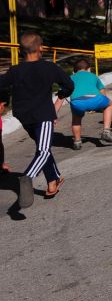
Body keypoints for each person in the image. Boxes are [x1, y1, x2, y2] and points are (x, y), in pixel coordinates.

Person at [0, 32, 74, 208]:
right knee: (43, 150)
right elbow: (69, 85)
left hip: (24, 116)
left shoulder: (15, 70)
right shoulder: (49, 67)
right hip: (43, 114)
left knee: (43, 147)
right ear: (41, 48)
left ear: (20, 51)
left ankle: (53, 181)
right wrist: (62, 95)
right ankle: (28, 176)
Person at [67, 58, 112, 149]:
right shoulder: (93, 76)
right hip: (95, 99)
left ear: (74, 71)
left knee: (76, 119)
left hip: (77, 102)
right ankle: (106, 131)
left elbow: (66, 91)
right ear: (89, 69)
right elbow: (102, 91)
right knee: (109, 104)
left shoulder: (71, 77)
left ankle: (77, 141)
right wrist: (102, 105)